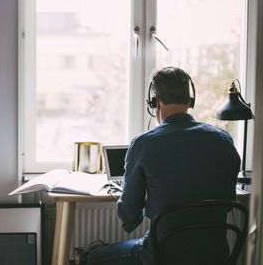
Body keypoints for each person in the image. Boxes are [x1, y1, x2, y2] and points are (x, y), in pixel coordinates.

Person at [86, 67, 240, 265]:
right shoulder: (223, 140)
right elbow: (227, 203)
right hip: (215, 255)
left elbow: (129, 214)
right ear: (190, 101)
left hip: (162, 255)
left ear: (155, 101)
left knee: (93, 256)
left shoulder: (144, 144)